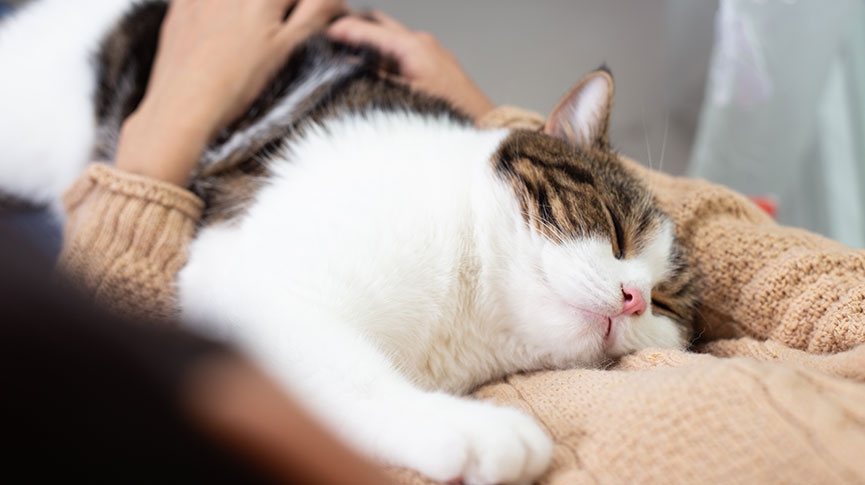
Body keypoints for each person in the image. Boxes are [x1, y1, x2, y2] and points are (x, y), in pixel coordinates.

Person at [51, 0, 865, 483]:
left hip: (152, 151)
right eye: (621, 246)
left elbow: (141, 390)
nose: (635, 297)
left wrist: (155, 146)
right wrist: (508, 131)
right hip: (147, 83)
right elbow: (779, 273)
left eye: (663, 303)